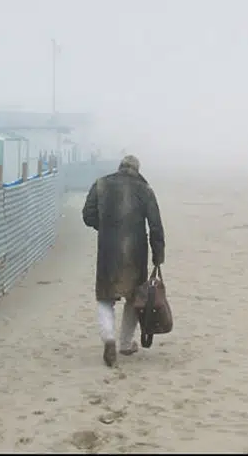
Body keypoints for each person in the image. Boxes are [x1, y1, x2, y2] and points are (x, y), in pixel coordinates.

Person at [82, 154, 165, 367]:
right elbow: (155, 225)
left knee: (105, 298)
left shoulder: (101, 184)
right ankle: (126, 344)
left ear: (119, 167)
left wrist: (105, 228)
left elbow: (87, 215)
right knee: (134, 298)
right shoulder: (145, 189)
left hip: (108, 250)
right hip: (136, 251)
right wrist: (158, 255)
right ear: (137, 169)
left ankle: (108, 339)